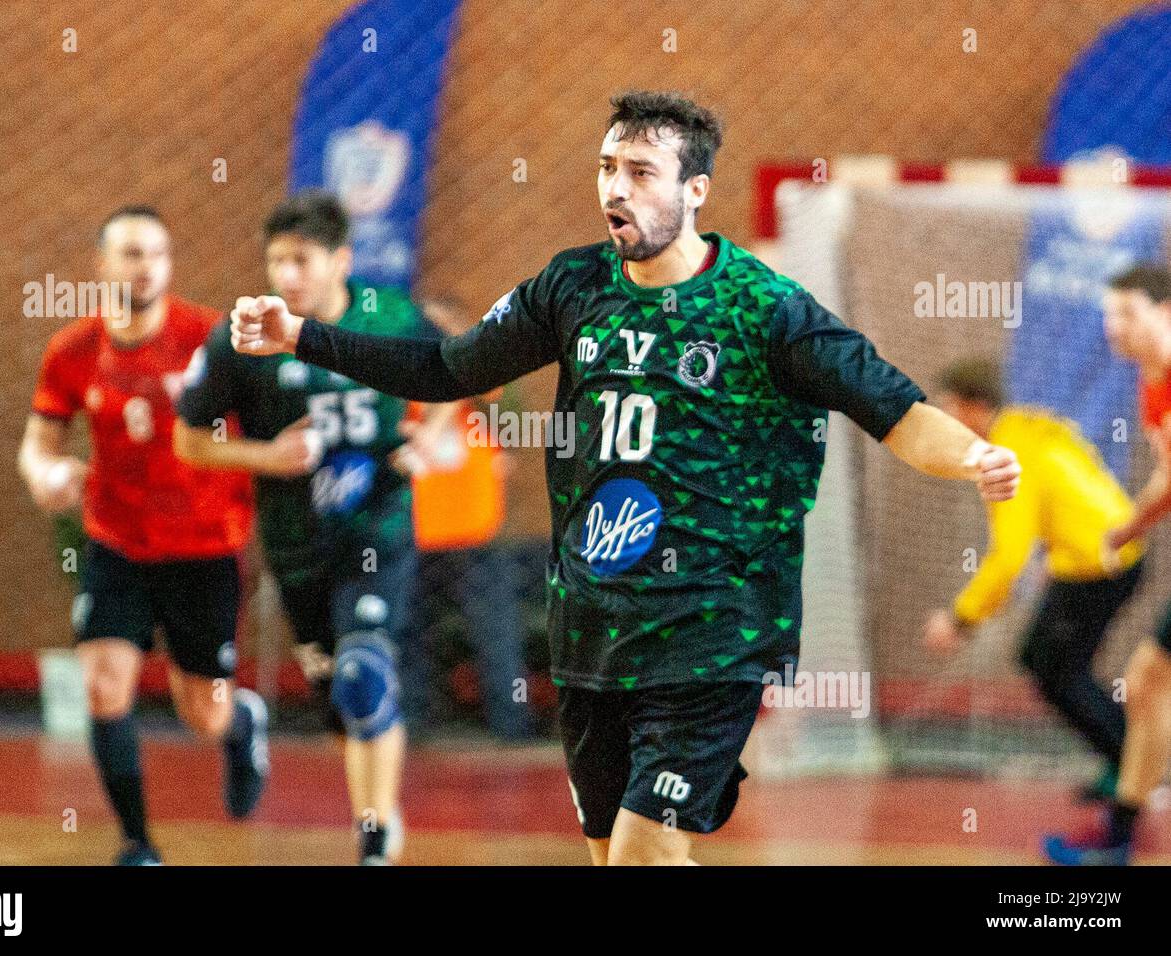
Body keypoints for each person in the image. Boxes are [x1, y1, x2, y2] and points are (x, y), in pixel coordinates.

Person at [226, 91, 1020, 865]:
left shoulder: (764, 310)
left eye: (641, 171)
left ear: (694, 190)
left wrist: (973, 457)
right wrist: (302, 336)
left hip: (715, 629)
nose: (616, 188)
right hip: (595, 624)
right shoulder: (571, 288)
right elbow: (442, 367)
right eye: (608, 167)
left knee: (642, 852)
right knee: (618, 857)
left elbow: (894, 408)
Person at [173, 191, 454, 864]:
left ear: (341, 262)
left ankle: (376, 839)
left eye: (301, 260)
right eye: (275, 260)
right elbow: (189, 441)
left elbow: (456, 374)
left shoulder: (389, 317)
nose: (286, 276)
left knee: (365, 672)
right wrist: (263, 456)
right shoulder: (242, 338)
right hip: (298, 541)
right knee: (340, 700)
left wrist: (426, 438)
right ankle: (374, 814)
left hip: (377, 526)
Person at [17, 206, 267, 867]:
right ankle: (138, 843)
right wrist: (45, 474)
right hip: (117, 542)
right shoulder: (74, 351)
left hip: (205, 545)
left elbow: (267, 422)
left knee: (203, 715)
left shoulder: (211, 339)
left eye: (156, 253)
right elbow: (39, 443)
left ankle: (241, 724)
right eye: (130, 253)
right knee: (103, 685)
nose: (145, 266)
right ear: (102, 264)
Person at [923, 358, 1145, 801]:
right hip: (1098, 560)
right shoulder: (1027, 427)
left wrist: (960, 618)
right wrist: (1062, 547)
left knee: (1056, 670)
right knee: (1053, 665)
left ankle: (1134, 769)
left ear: (973, 409)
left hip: (1102, 567)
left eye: (949, 410)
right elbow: (1080, 481)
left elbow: (1008, 558)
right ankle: (1131, 764)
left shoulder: (1006, 453)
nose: (946, 422)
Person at [1045, 265, 1171, 864]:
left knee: (1149, 683)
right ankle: (1119, 838)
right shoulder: (1153, 381)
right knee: (1148, 684)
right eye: (1109, 313)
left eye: (1128, 313)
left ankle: (1120, 837)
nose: (1113, 326)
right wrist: (1128, 528)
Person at [404, 294, 536, 742]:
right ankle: (416, 723)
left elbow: (511, 422)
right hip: (418, 532)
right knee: (412, 633)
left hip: (474, 528)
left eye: (445, 331)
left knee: (494, 630)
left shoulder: (483, 385)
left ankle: (511, 726)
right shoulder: (403, 387)